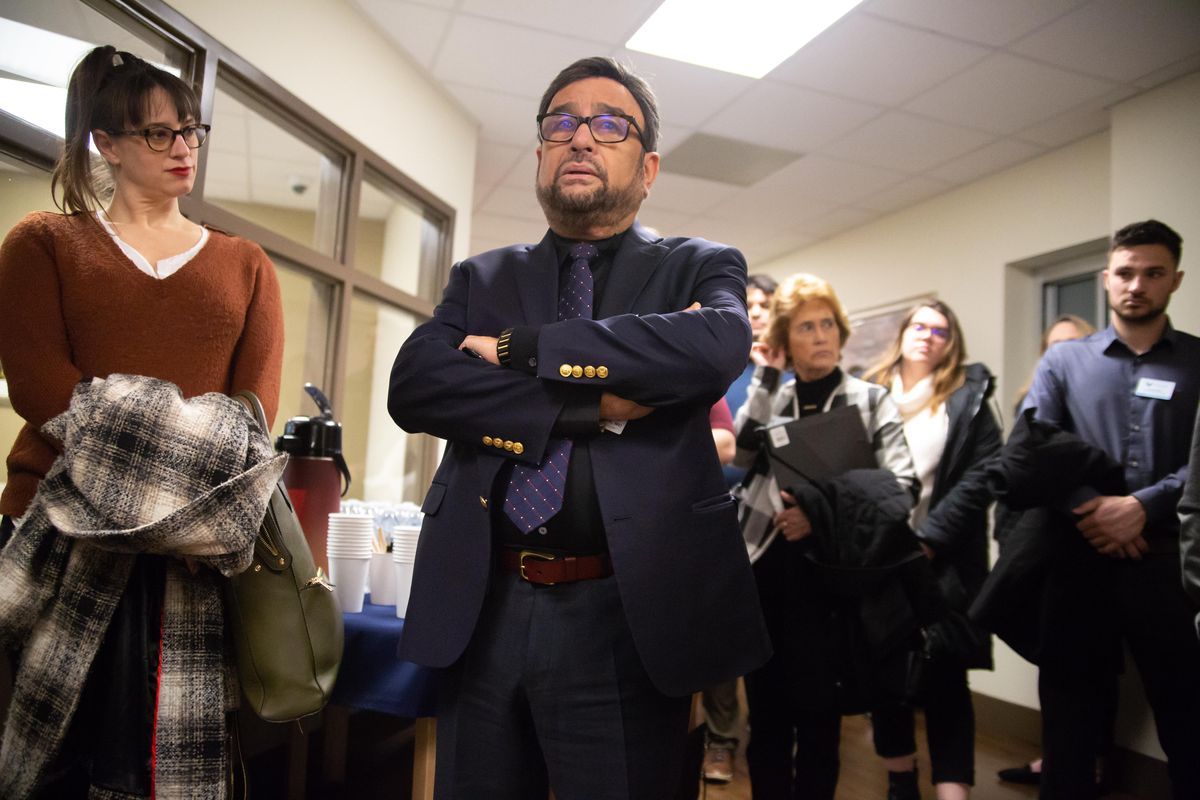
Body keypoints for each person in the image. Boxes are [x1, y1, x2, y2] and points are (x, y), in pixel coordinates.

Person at [387, 56, 770, 799]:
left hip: (626, 616)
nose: (581, 137)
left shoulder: (699, 268)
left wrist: (523, 351)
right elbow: (417, 385)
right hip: (482, 606)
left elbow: (714, 347)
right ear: (539, 152)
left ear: (648, 166)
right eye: (560, 122)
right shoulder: (483, 278)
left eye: (608, 124)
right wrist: (590, 407)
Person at [0, 46, 283, 797]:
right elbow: (43, 392)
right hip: (54, 546)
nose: (184, 147)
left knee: (159, 778)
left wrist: (175, 512)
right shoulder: (44, 244)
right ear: (108, 144)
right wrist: (178, 500)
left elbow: (251, 427)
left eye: (191, 129)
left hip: (190, 569)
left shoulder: (246, 264)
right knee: (48, 771)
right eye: (159, 133)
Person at [1021, 219, 1200, 798]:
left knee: (1188, 720)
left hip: (1169, 566)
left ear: (1175, 279)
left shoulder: (1197, 362)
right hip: (1080, 562)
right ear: (1106, 279)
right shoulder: (1065, 362)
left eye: (1152, 273)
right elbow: (1033, 449)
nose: (1136, 285)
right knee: (1069, 730)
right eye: (1125, 273)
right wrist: (1095, 509)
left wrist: (1142, 507)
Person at [732, 273, 920, 800]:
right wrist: (766, 381)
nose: (820, 336)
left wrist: (818, 515)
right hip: (767, 576)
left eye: (827, 324)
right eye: (807, 327)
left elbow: (902, 487)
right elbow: (744, 457)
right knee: (766, 720)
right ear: (787, 340)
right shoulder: (775, 394)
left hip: (833, 584)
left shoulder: (869, 400)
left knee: (818, 721)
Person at [863, 301, 1003, 800]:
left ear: (952, 343)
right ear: (902, 333)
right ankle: (901, 778)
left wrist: (930, 538)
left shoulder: (966, 397)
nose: (928, 336)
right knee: (885, 676)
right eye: (919, 326)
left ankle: (952, 790)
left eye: (940, 331)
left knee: (946, 678)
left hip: (942, 560)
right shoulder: (868, 389)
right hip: (878, 560)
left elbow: (985, 474)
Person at [1000, 312, 1104, 789]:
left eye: (1074, 344)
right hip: (1046, 547)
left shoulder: (1100, 402)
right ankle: (1058, 762)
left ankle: (1087, 765)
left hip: (1101, 548)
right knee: (1058, 669)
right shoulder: (1031, 404)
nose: (1063, 353)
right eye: (1055, 346)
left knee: (1094, 667)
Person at [702, 273, 780, 785]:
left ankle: (769, 738)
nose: (755, 312)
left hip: (774, 520)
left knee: (773, 630)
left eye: (765, 306)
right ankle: (721, 738)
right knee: (721, 631)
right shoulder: (716, 367)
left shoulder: (787, 377)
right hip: (714, 514)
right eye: (746, 304)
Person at [1012, 314, 1096, 412]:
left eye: (1071, 343)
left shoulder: (1103, 394)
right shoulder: (1031, 402)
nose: (1061, 352)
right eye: (1055, 346)